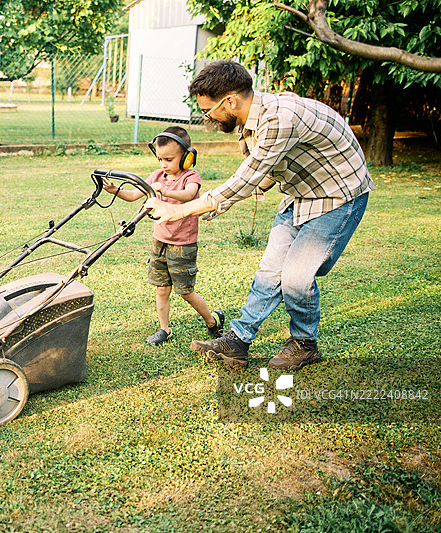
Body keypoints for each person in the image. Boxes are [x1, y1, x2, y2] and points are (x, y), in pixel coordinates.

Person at [143, 60, 374, 370]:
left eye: (208, 111)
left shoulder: (278, 119)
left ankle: (304, 345)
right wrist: (220, 203)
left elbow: (247, 177)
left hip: (338, 195)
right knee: (269, 272)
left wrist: (180, 210)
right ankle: (238, 341)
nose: (208, 117)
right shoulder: (253, 120)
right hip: (301, 193)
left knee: (296, 277)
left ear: (230, 101)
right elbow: (263, 174)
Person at [102, 126, 225, 346]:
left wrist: (165, 192)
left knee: (185, 292)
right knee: (162, 289)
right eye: (160, 159)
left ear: (186, 157)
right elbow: (133, 195)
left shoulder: (191, 176)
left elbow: (190, 195)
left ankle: (212, 321)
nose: (163, 164)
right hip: (160, 242)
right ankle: (164, 329)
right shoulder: (157, 176)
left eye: (169, 159)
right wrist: (115, 191)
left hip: (183, 245)